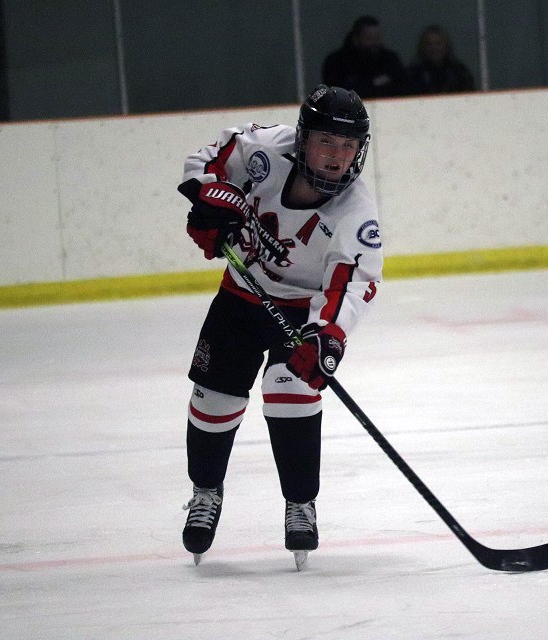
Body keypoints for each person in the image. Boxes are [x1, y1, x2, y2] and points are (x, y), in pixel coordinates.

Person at [176, 85, 383, 570]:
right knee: (215, 397)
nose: (336, 158)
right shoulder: (264, 150)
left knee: (290, 387)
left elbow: (352, 286)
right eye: (327, 143)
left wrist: (326, 339)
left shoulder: (356, 213)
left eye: (348, 147)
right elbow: (206, 162)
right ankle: (205, 492)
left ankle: (300, 503)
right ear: (303, 138)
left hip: (301, 310)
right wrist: (210, 200)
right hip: (239, 296)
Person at [322, 15, 411, 99]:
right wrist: (373, 83)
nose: (374, 43)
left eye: (377, 38)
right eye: (369, 38)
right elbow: (339, 92)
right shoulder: (337, 62)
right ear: (356, 39)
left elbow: (403, 87)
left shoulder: (390, 59)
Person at [407, 25, 475, 95]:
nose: (434, 48)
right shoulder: (413, 74)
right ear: (422, 47)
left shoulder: (459, 73)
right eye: (429, 44)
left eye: (438, 44)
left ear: (446, 46)